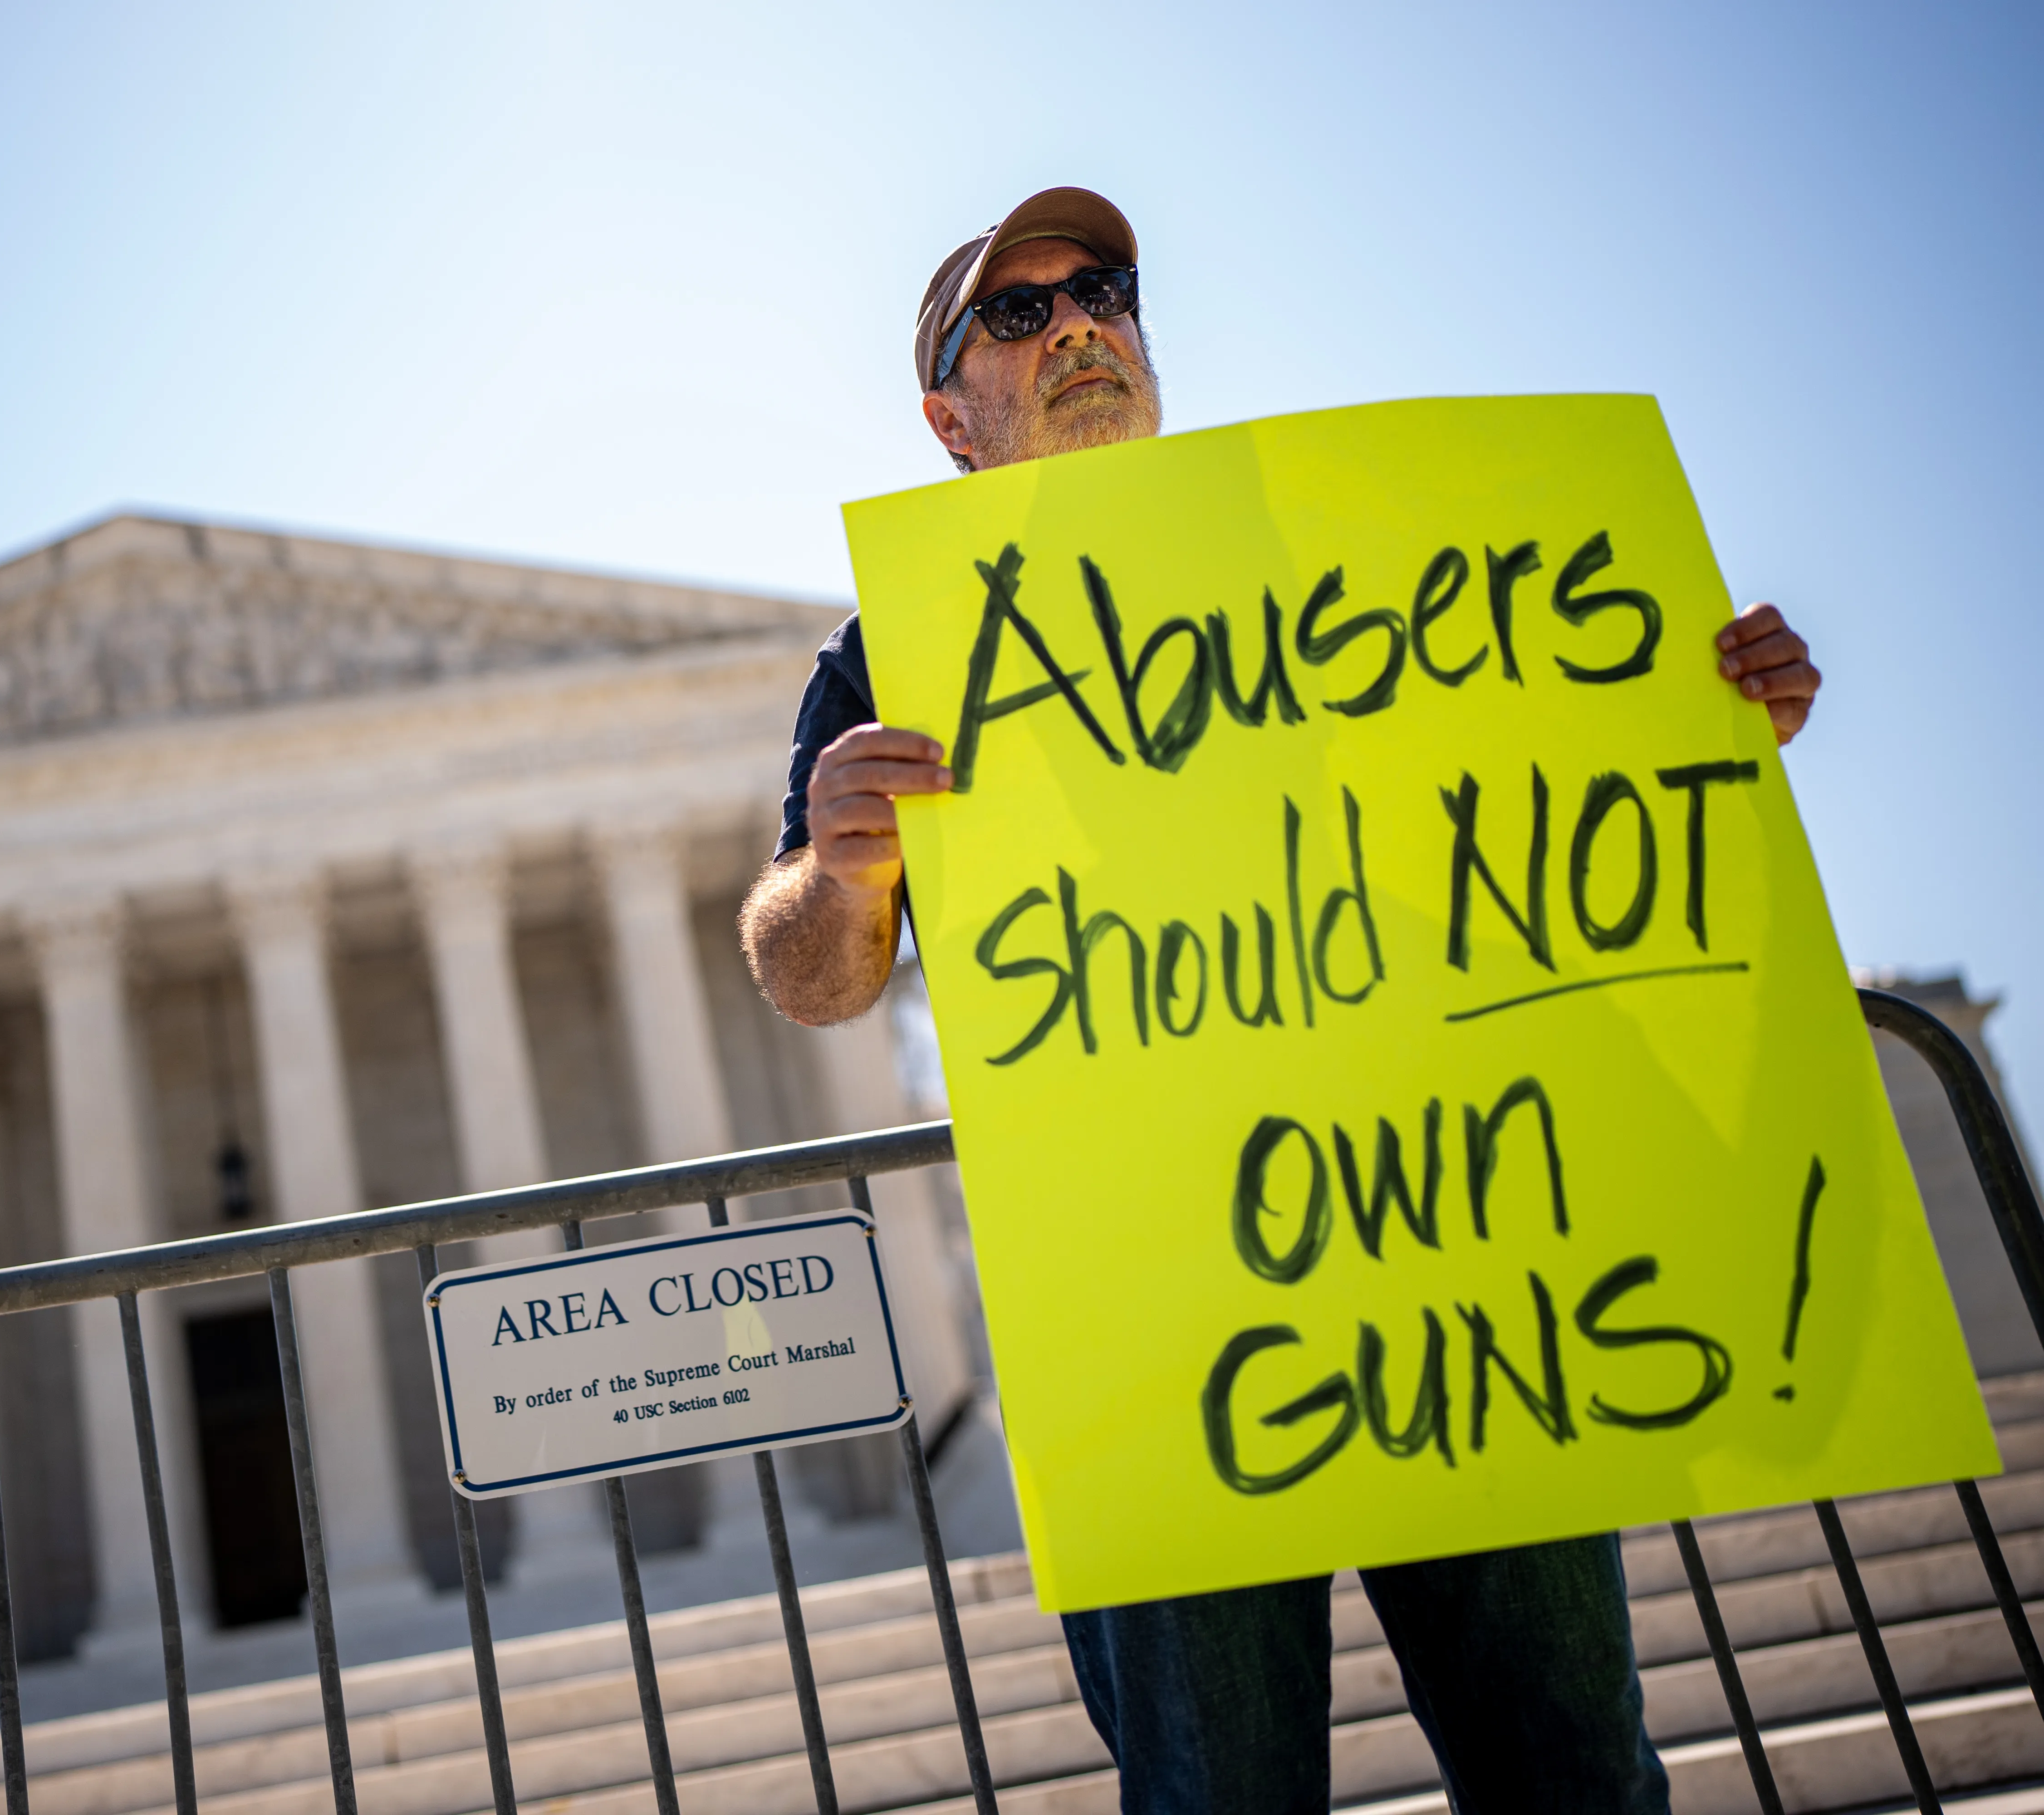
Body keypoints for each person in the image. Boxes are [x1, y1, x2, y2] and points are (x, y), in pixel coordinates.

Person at [737, 186, 1822, 1811]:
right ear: (948, 418)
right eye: (1020, 317)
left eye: (1102, 288)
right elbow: (809, 980)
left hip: (1452, 1249)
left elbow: (1555, 782)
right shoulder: (900, 653)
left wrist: (1704, 709)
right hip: (1154, 1313)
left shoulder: (1362, 552)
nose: (1080, 327)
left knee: (1577, 1776)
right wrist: (842, 870)